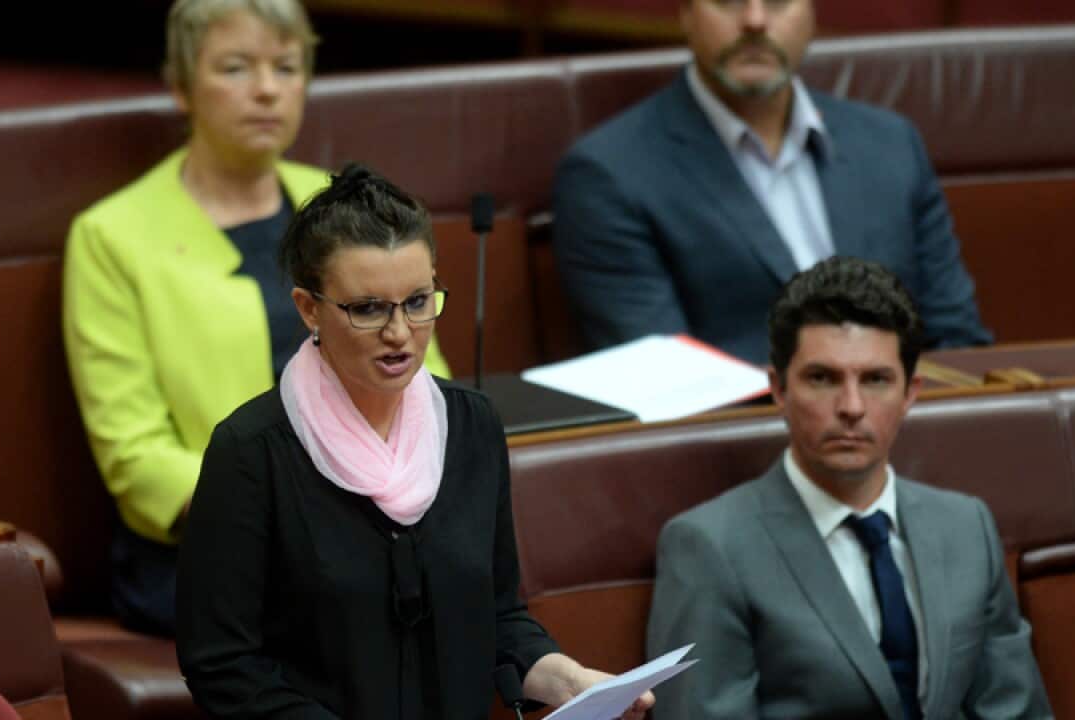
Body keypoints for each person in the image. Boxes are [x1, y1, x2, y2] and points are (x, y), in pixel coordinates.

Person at [175, 164, 653, 720]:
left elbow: (497, 615)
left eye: (419, 301)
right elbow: (223, 665)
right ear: (309, 308)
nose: (399, 333)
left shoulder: (471, 426)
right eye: (368, 309)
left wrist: (569, 680)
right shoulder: (251, 452)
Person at [62, 0, 451, 636]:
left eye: (287, 67)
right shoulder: (111, 236)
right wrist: (302, 518)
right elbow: (136, 456)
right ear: (181, 86)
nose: (268, 90)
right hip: (214, 550)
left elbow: (426, 380)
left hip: (378, 524)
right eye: (236, 68)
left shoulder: (349, 210)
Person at [646, 257, 1051, 719]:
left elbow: (1018, 711)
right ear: (779, 389)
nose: (852, 407)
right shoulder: (709, 547)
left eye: (876, 380)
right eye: (822, 378)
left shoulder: (966, 527)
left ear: (911, 392)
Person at [552, 0, 991, 366]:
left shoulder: (890, 144)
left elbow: (958, 340)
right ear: (686, 13)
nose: (755, 20)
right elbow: (666, 381)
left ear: (812, 13)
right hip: (739, 438)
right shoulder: (609, 174)